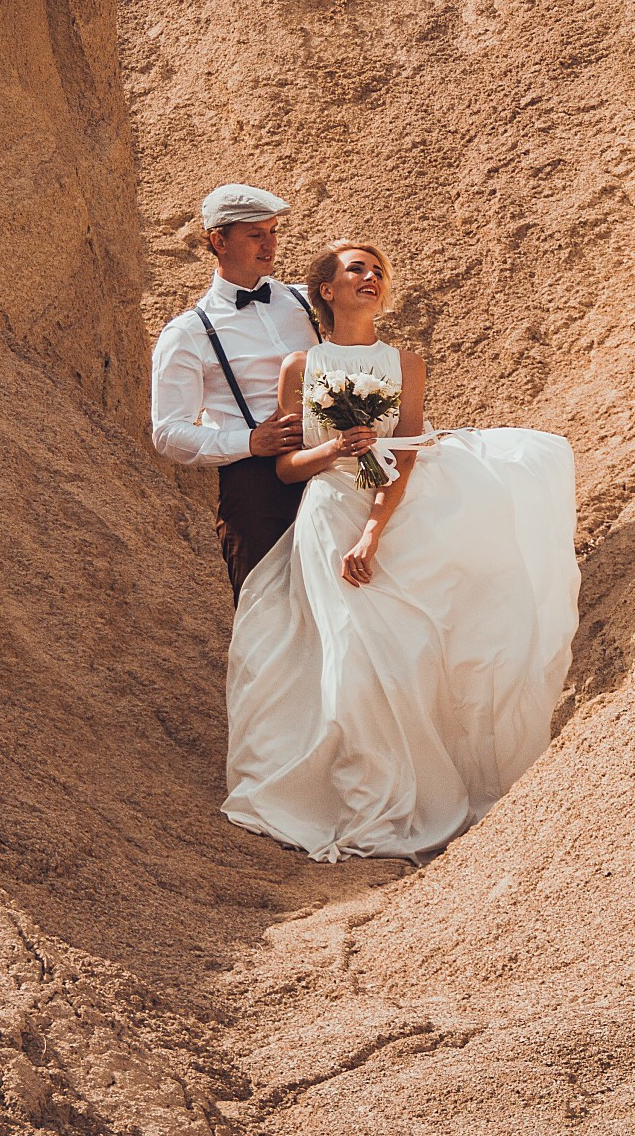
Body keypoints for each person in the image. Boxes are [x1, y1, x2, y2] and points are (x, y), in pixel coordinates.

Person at [221, 241, 579, 863]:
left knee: (407, 651)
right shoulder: (300, 367)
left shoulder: (406, 364)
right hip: (326, 513)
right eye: (356, 269)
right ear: (326, 290)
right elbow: (285, 469)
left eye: (379, 271)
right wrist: (333, 449)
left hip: (393, 515)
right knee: (349, 656)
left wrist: (373, 532)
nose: (372, 277)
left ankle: (418, 793)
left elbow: (406, 453)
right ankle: (358, 795)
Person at [149, 184, 325, 600]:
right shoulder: (188, 332)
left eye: (273, 231)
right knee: (267, 615)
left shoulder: (309, 302)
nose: (270, 245)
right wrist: (249, 442)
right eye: (255, 235)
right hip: (256, 490)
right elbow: (167, 432)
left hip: (329, 469)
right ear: (218, 241)